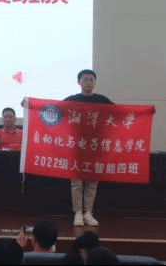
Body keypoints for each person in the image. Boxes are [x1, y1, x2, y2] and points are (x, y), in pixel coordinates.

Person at [64, 69, 113, 227]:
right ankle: (78, 212)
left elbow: (120, 114)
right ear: (79, 82)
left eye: (91, 79)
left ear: (95, 82)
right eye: (85, 79)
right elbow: (53, 109)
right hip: (77, 145)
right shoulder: (72, 100)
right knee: (76, 181)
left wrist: (145, 113)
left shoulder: (102, 100)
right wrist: (30, 105)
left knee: (92, 181)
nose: (88, 82)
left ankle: (88, 212)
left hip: (95, 146)